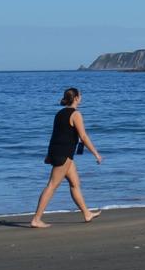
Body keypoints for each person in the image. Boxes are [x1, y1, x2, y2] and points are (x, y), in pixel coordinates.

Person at [29, 87, 102, 227]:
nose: (81, 97)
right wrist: (96, 154)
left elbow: (54, 135)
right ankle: (36, 219)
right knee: (52, 185)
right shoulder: (76, 114)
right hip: (64, 154)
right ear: (75, 98)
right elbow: (83, 136)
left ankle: (87, 213)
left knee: (75, 183)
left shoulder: (59, 113)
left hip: (60, 152)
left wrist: (49, 154)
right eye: (80, 95)